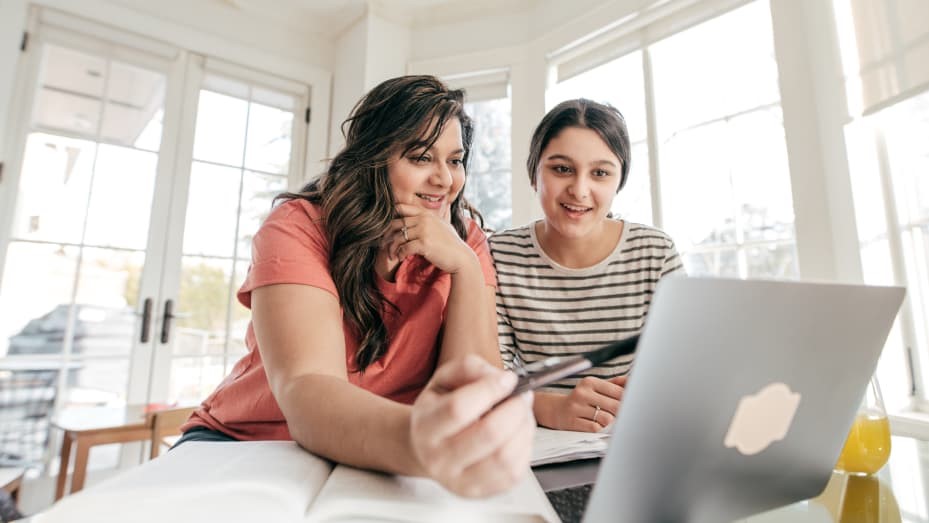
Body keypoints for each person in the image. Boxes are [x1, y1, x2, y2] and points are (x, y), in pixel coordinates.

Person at [176, 75, 534, 498]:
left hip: (376, 453)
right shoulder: (299, 225)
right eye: (421, 157)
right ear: (374, 158)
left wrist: (466, 268)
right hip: (251, 443)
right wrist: (421, 441)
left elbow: (472, 390)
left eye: (455, 161)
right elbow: (307, 391)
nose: (445, 180)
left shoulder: (465, 241)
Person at [490, 98, 684, 433]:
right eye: (562, 169)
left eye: (600, 173)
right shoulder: (498, 256)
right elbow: (489, 382)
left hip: (633, 438)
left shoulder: (655, 252)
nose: (580, 190)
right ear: (534, 173)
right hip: (537, 447)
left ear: (619, 181)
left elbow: (685, 367)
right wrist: (549, 407)